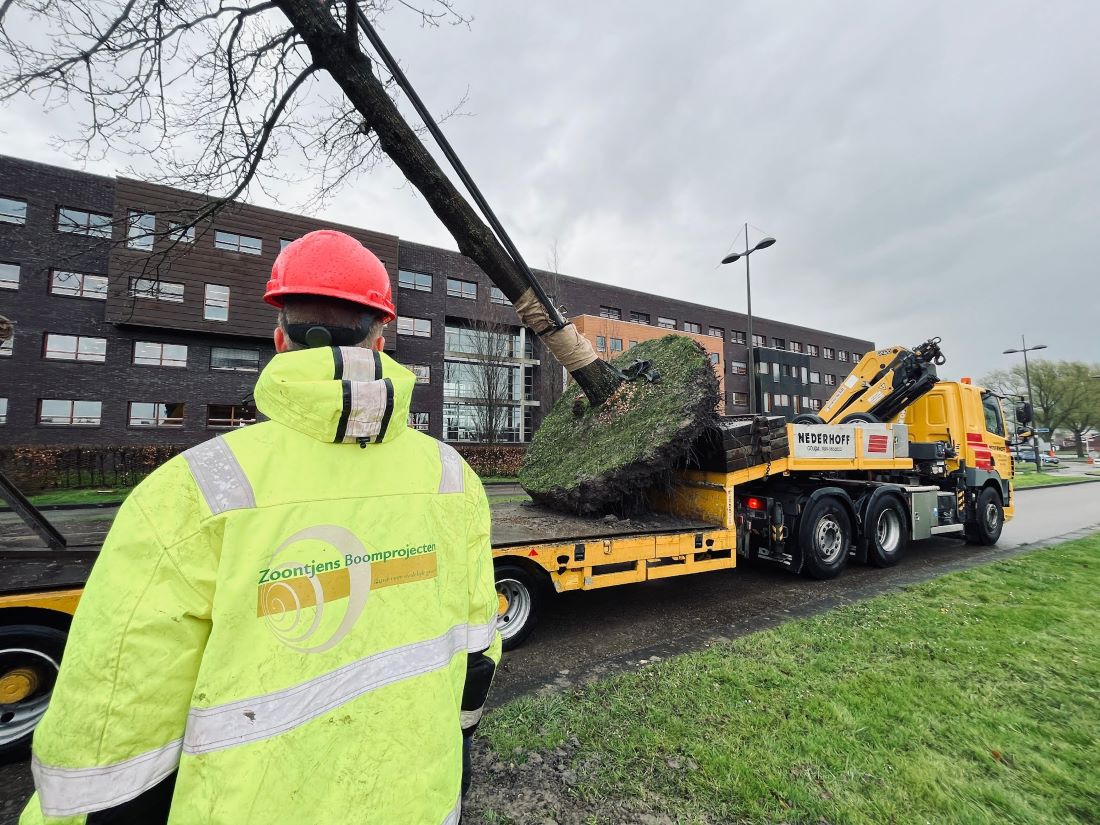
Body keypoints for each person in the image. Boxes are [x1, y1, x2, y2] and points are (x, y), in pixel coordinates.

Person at [21, 230, 501, 825]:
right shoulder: (453, 478)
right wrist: (457, 746)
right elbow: (479, 649)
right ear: (383, 336)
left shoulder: (189, 491)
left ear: (279, 340)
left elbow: (112, 722)